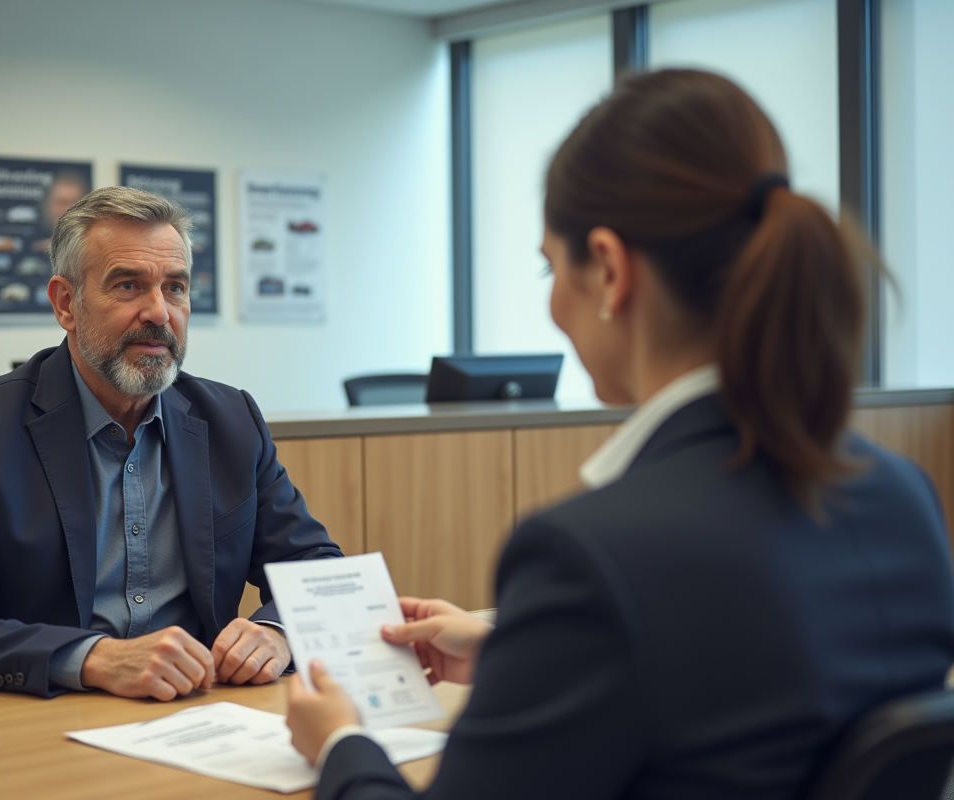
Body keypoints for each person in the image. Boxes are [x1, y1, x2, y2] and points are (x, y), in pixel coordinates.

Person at [285, 69, 954, 799]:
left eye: (549, 265)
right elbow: (749, 684)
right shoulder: (900, 495)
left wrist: (343, 744)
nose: (551, 304)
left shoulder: (593, 555)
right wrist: (522, 656)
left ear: (607, 268)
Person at [0, 186, 342, 700]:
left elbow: (318, 568)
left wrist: (279, 633)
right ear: (65, 303)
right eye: (128, 286)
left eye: (175, 288)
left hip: (201, 715)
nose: (159, 313)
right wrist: (93, 658)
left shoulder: (231, 421)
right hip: (44, 724)